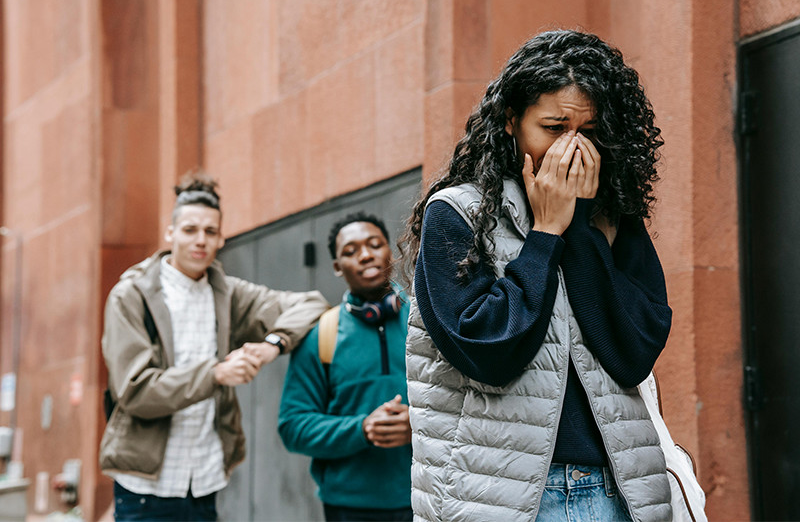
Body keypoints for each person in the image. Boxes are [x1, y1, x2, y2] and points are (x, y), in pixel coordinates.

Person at [400, 29, 674, 521]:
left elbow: (633, 353)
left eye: (589, 132)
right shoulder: (459, 213)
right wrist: (546, 234)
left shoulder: (612, 217)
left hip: (614, 489)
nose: (571, 148)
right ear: (511, 121)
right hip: (500, 498)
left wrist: (582, 227)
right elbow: (489, 352)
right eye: (554, 127)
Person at [99, 171, 328, 521]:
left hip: (205, 482)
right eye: (190, 230)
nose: (200, 240)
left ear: (221, 238)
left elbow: (311, 304)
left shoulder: (227, 294)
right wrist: (217, 373)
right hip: (146, 489)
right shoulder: (131, 297)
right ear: (170, 233)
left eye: (210, 231)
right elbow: (135, 391)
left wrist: (272, 345)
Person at [278, 212, 413, 522]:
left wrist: (419, 424)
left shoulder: (424, 320)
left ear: (389, 251)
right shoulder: (321, 335)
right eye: (351, 251)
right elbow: (293, 426)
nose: (365, 255)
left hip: (426, 496)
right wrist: (361, 429)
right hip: (348, 509)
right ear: (338, 267)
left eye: (374, 245)